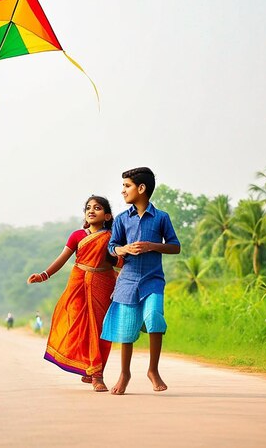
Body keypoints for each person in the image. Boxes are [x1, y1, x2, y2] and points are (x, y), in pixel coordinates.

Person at [101, 167, 180, 395]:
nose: (123, 190)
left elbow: (175, 246)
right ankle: (124, 374)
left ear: (141, 188)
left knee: (155, 318)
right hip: (127, 281)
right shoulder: (122, 220)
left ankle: (153, 371)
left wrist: (152, 246)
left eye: (127, 186)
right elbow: (112, 246)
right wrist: (124, 249)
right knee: (126, 330)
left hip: (153, 279)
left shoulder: (162, 217)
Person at [27, 195, 118, 392]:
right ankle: (93, 371)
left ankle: (96, 372)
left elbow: (119, 263)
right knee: (80, 326)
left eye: (97, 208)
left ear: (108, 215)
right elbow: (62, 258)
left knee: (101, 329)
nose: (91, 210)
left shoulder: (112, 237)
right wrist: (44, 275)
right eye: (88, 208)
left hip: (104, 283)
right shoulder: (77, 235)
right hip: (77, 284)